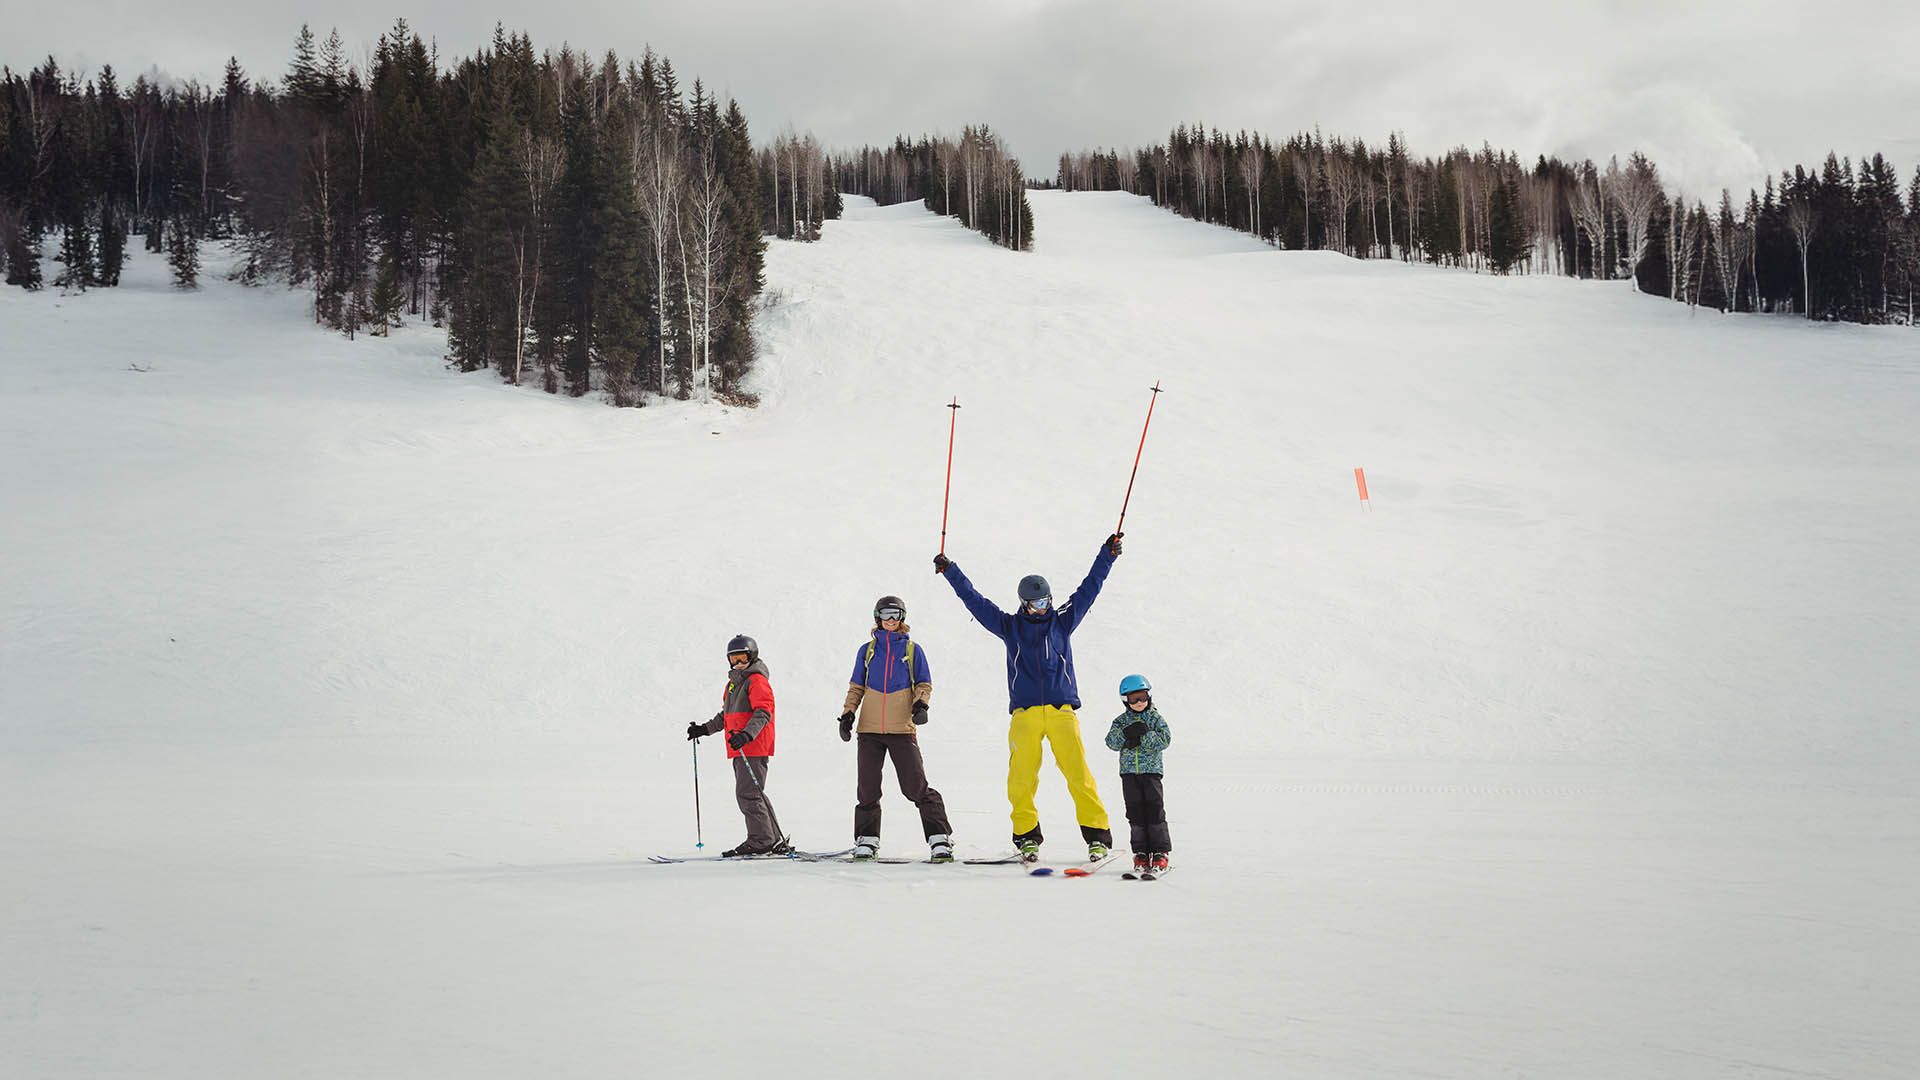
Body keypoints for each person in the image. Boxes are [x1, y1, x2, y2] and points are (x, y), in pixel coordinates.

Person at [934, 534, 1123, 862]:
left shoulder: (1063, 621)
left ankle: (1097, 837)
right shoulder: (1009, 627)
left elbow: (1090, 586)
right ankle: (1026, 837)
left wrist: (1107, 554)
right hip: (1025, 715)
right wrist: (951, 571)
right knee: (1021, 778)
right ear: (1024, 603)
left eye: (1046, 601)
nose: (1042, 607)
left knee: (1079, 775)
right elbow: (974, 600)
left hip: (1062, 712)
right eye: (1036, 603)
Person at [836, 595, 954, 862]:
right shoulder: (867, 651)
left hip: (901, 729)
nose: (891, 620)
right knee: (867, 789)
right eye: (886, 614)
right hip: (869, 730)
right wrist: (847, 714)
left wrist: (921, 705)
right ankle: (866, 840)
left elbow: (924, 683)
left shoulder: (912, 650)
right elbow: (856, 687)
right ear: (877, 617)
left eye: (896, 614)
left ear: (902, 617)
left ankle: (940, 838)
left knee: (915, 786)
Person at [686, 634, 786, 856]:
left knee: (748, 793)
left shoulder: (757, 681)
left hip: (753, 745)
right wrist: (704, 729)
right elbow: (726, 715)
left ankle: (761, 841)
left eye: (742, 657)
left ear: (752, 656)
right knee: (754, 792)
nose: (738, 662)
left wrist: (747, 735)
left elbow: (763, 712)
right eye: (734, 659)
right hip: (740, 746)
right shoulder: (733, 684)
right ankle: (771, 838)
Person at [1104, 674, 1173, 874]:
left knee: (1154, 810)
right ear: (1126, 700)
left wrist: (1144, 735)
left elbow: (1164, 740)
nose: (1139, 702)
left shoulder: (1155, 718)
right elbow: (1111, 742)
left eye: (1142, 697)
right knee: (1135, 813)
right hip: (1129, 774)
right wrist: (1126, 734)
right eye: (1134, 699)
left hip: (1151, 773)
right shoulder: (1121, 722)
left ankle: (1160, 852)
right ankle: (1141, 852)